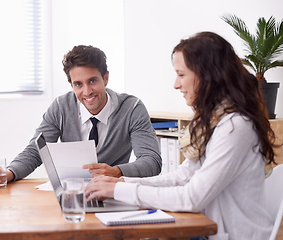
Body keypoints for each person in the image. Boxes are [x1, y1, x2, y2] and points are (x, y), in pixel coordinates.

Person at [85, 32, 278, 239]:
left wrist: (118, 191)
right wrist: (121, 183)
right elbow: (182, 177)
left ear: (209, 76)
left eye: (182, 74)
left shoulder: (236, 126)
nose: (176, 84)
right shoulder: (213, 122)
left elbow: (192, 197)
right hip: (208, 231)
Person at [0, 45, 162, 183]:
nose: (87, 91)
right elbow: (37, 151)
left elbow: (151, 161)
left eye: (92, 81)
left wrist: (117, 171)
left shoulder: (132, 108)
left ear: (105, 78)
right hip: (72, 193)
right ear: (71, 84)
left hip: (113, 191)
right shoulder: (61, 107)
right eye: (78, 84)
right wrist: (9, 173)